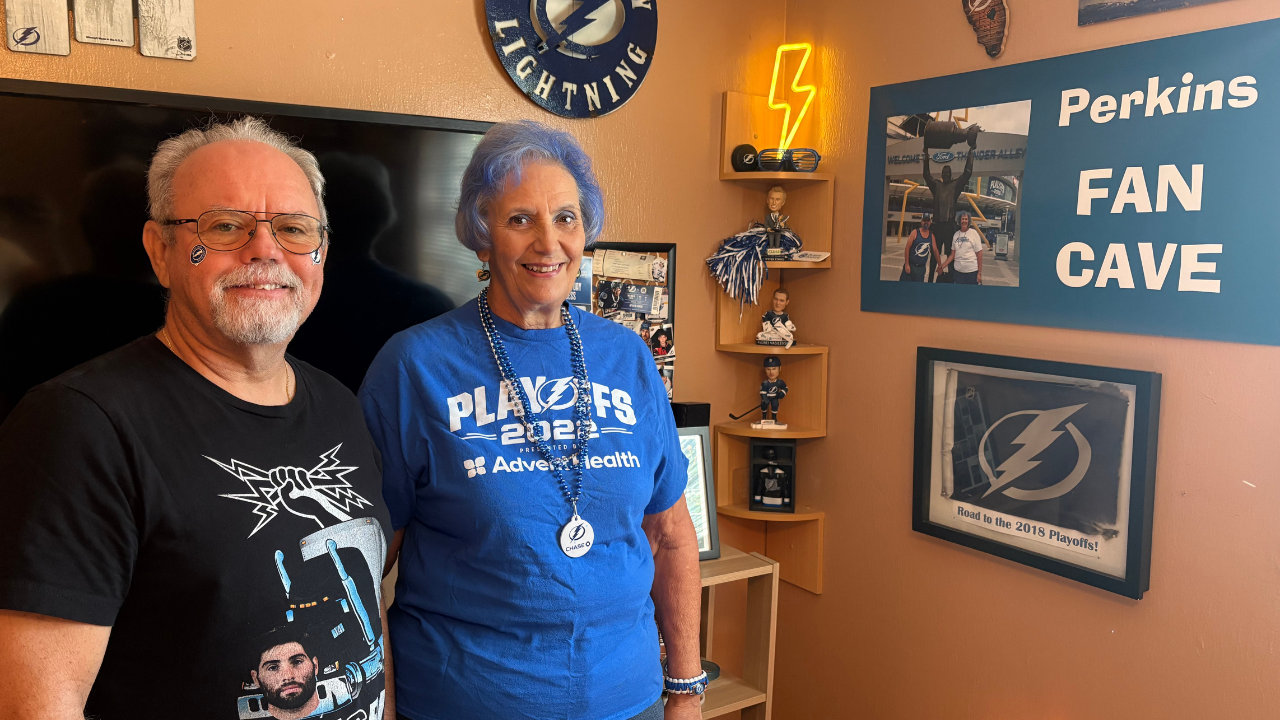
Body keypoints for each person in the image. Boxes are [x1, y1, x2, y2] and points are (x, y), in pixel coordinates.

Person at [0, 117, 394, 720]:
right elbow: (35, 706)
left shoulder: (340, 404)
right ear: (160, 251)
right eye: (226, 226)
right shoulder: (79, 426)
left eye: (293, 229)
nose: (265, 250)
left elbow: (370, 618)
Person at [360, 120, 704, 720]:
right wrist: (379, 707)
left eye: (566, 218)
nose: (549, 243)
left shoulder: (627, 357)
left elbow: (671, 535)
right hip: (464, 699)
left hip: (632, 699)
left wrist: (686, 690)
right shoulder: (415, 365)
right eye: (520, 219)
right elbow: (365, 565)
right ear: (481, 236)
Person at [922, 134, 976, 283]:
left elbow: (967, 173)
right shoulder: (937, 186)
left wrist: (971, 151)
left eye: (948, 172)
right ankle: (930, 280)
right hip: (938, 226)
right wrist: (926, 155)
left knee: (951, 254)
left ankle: (951, 281)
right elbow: (926, 174)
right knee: (935, 255)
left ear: (951, 175)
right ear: (941, 175)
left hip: (950, 227)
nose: (945, 174)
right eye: (943, 172)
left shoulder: (954, 186)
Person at [939, 211, 984, 285]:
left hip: (971, 272)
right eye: (962, 219)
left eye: (966, 219)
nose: (964, 221)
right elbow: (952, 255)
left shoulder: (974, 233)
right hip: (958, 272)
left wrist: (979, 272)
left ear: (968, 221)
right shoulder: (956, 235)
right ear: (959, 221)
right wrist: (942, 266)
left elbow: (979, 254)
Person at [899, 212, 935, 282]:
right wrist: (907, 264)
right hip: (911, 266)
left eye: (928, 221)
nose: (926, 222)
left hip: (921, 269)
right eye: (924, 220)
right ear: (921, 221)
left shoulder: (931, 236)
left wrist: (940, 265)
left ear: (930, 222)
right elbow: (907, 248)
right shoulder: (915, 232)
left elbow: (935, 250)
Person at [759, 355, 788, 424]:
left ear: (779, 369)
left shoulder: (780, 382)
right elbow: (762, 392)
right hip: (767, 397)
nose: (771, 372)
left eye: (774, 369)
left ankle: (774, 418)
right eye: (768, 369)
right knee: (764, 405)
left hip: (775, 397)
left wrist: (782, 393)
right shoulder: (765, 383)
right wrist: (764, 398)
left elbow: (785, 388)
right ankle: (764, 417)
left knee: (775, 405)